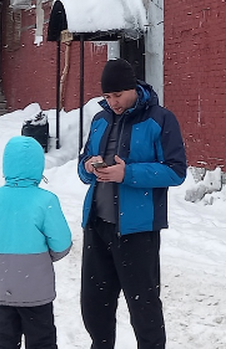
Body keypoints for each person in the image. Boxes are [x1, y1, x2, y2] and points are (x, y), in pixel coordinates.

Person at [78, 57, 187, 349]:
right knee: (94, 305)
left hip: (137, 229)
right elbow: (81, 165)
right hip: (98, 224)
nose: (112, 102)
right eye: (107, 96)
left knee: (144, 307)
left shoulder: (160, 119)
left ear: (133, 89)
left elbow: (176, 171)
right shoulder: (100, 120)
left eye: (117, 95)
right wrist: (88, 166)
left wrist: (128, 173)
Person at [0, 134, 73, 349]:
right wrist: (44, 257)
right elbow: (62, 243)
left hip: (1, 288)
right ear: (38, 166)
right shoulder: (46, 200)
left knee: (4, 339)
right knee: (41, 341)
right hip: (35, 291)